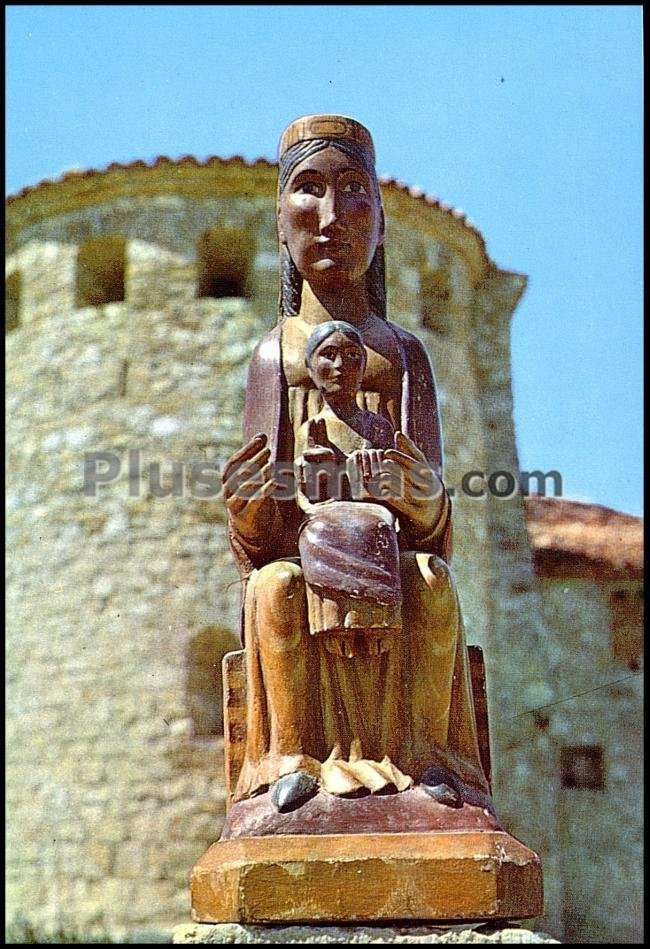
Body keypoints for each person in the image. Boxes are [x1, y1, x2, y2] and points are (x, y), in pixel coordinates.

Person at [221, 115, 489, 816]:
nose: (332, 216)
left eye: (354, 192)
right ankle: (293, 757)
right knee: (275, 589)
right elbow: (257, 544)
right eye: (308, 190)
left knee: (430, 583)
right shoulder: (273, 358)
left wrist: (421, 496)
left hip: (386, 555)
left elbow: (434, 527)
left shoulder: (404, 356)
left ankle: (428, 760)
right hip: (305, 557)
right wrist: (251, 505)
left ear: (380, 226)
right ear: (281, 223)